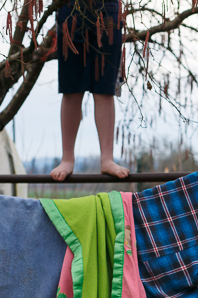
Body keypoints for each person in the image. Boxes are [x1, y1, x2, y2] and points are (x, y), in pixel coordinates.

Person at [51, 0, 130, 181]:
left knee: (105, 89)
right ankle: (67, 158)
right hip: (70, 7)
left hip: (108, 8)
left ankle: (107, 159)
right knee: (71, 88)